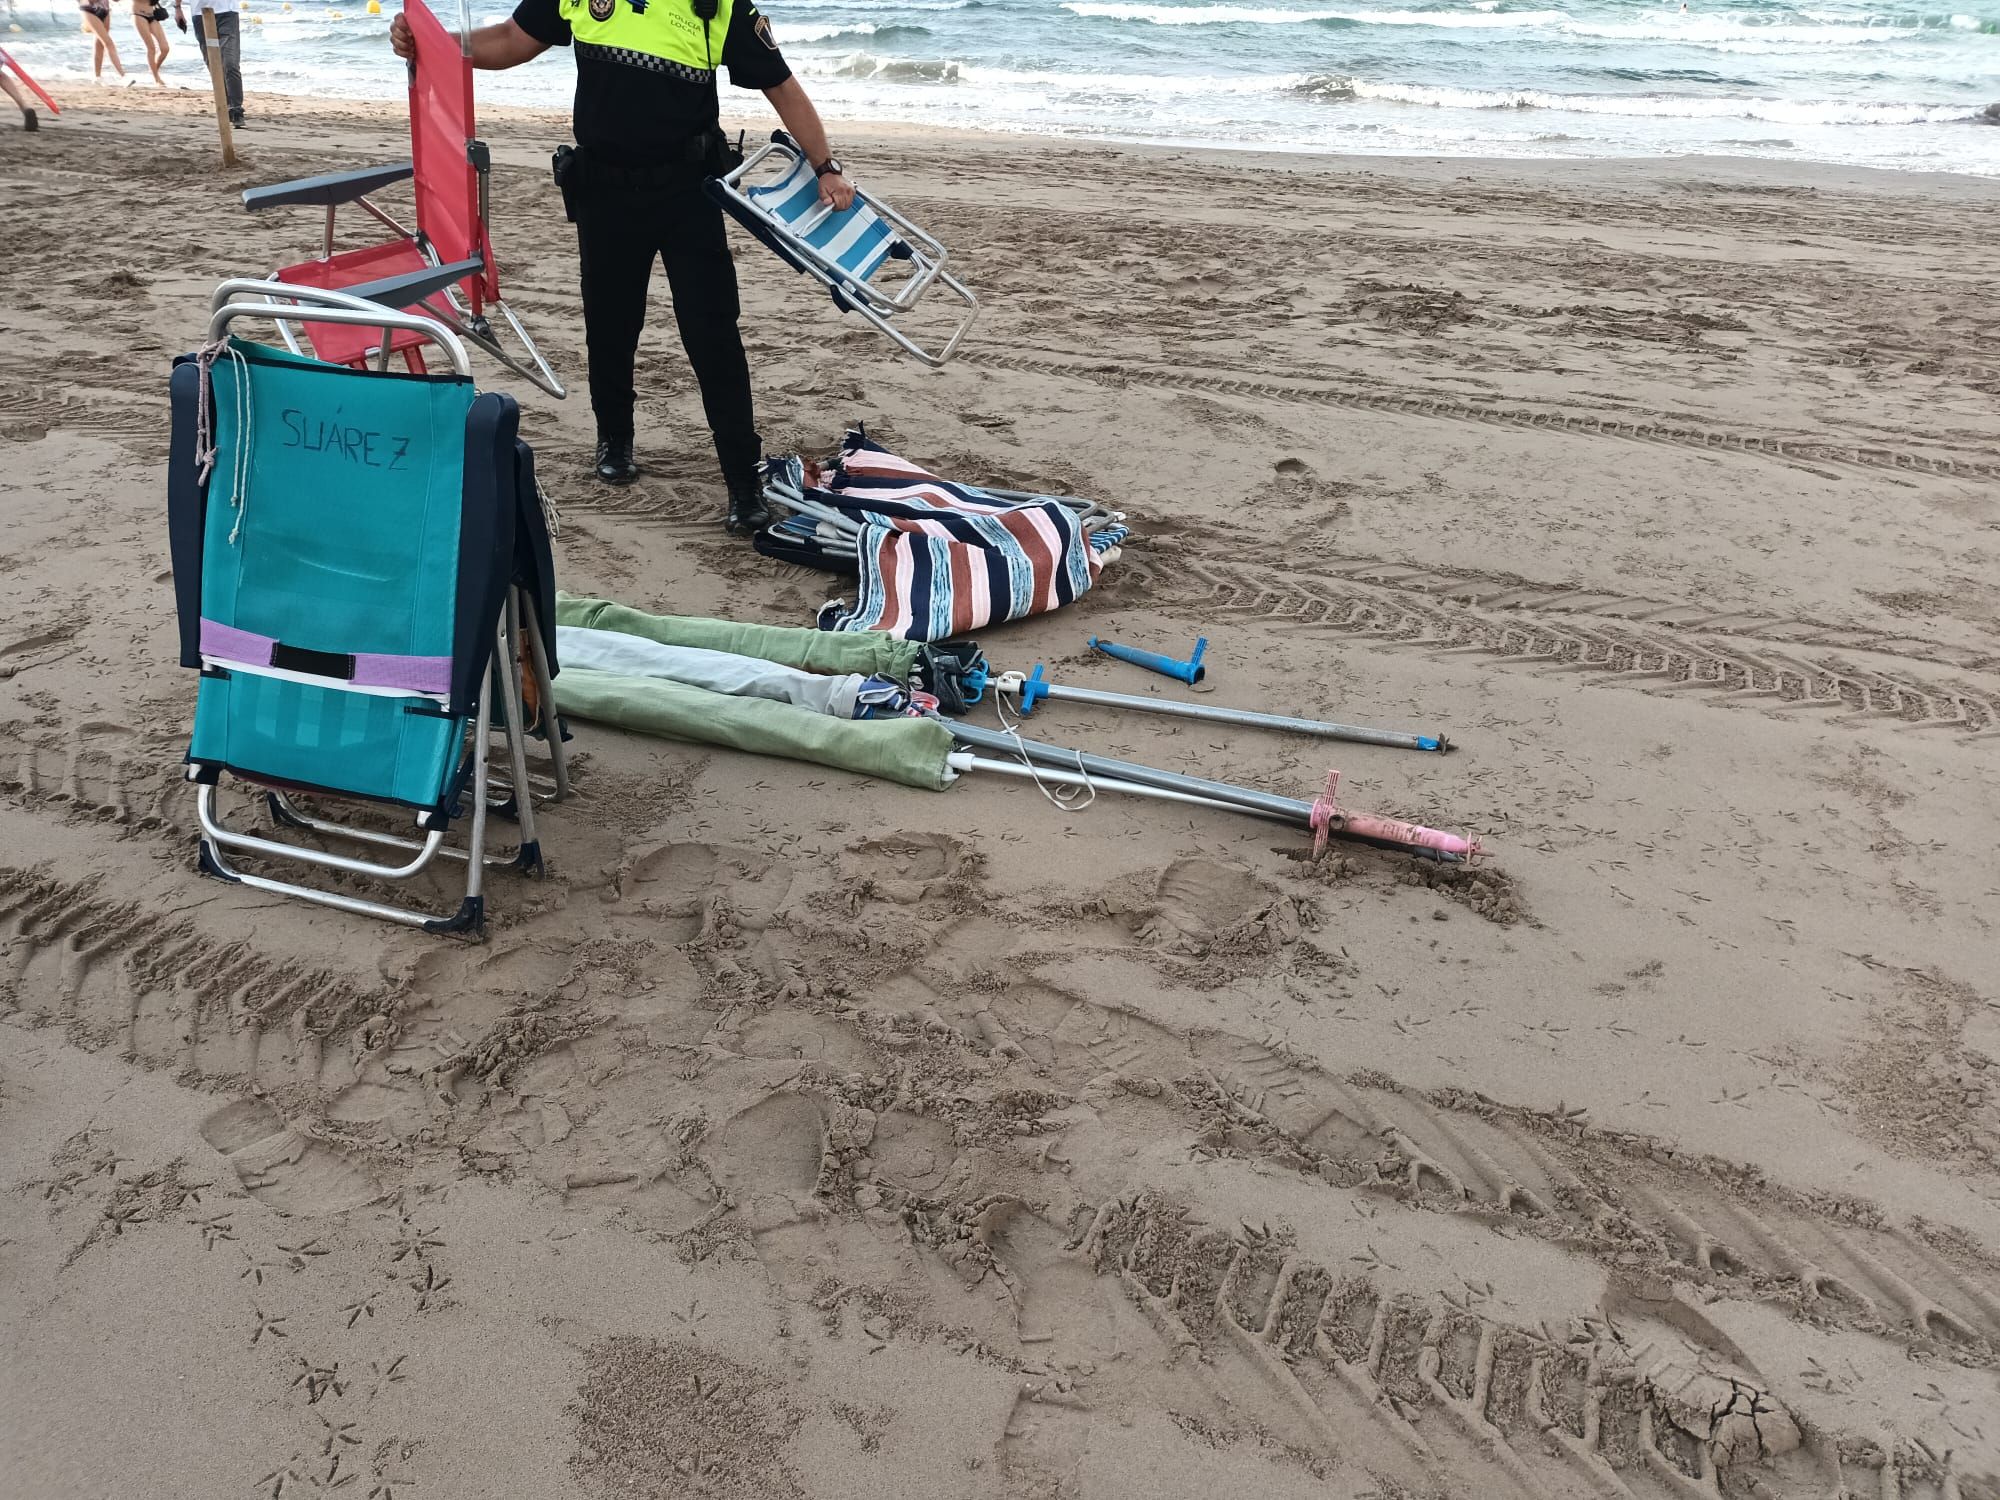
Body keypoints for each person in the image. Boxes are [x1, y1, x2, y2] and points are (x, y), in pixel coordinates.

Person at [390, 0, 856, 535]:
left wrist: (825, 166)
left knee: (713, 336)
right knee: (610, 325)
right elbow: (513, 39)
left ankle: (742, 478)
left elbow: (780, 83)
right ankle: (614, 439)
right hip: (604, 192)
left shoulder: (718, 4)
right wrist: (435, 45)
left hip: (689, 194)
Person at [175, 0, 244, 126]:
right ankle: (226, 105)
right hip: (200, 14)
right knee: (213, 65)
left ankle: (236, 109)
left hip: (227, 13)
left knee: (230, 63)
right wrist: (178, 8)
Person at [79, 0, 129, 81]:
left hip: (105, 9)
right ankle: (123, 76)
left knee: (100, 43)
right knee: (108, 43)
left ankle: (97, 77)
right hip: (89, 9)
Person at [130, 0, 173, 86]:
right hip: (139, 15)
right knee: (151, 48)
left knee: (165, 48)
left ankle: (153, 71)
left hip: (152, 16)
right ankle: (156, 79)